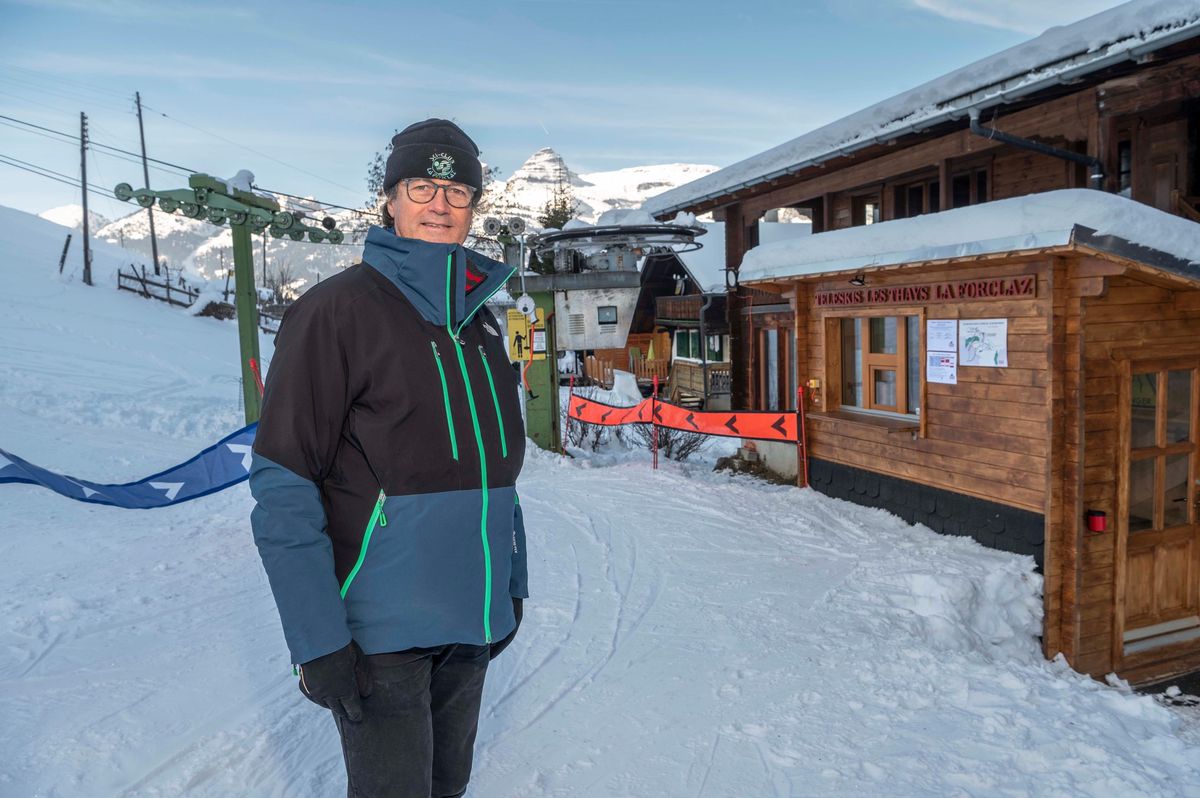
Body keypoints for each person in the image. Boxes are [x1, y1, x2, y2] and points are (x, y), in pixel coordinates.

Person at [249, 118, 529, 798]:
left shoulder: (480, 323)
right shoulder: (335, 312)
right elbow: (284, 484)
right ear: (390, 200)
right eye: (421, 187)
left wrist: (510, 585)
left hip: (472, 621)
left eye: (457, 191)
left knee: (447, 786)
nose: (440, 204)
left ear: (473, 206)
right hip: (381, 633)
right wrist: (317, 639)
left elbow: (496, 472)